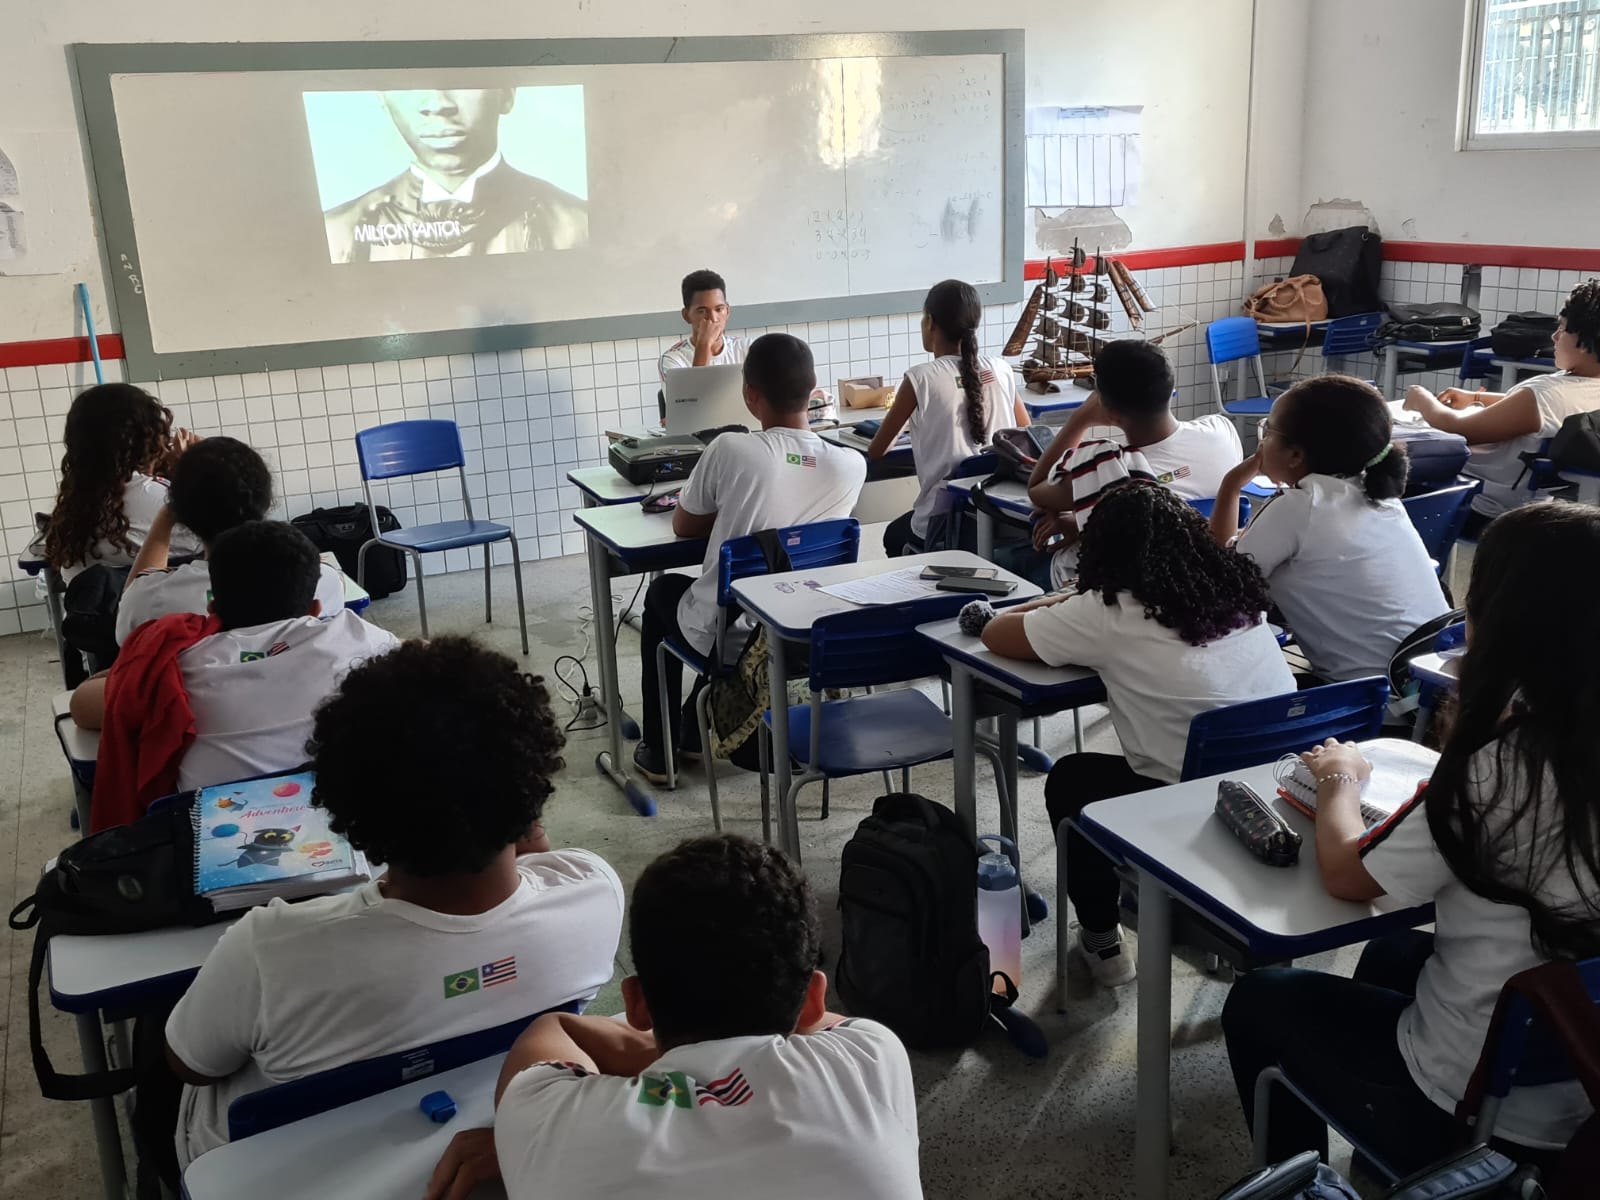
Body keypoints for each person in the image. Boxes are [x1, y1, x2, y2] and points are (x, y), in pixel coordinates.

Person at [1221, 502, 1600, 1178]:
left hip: (1483, 1111)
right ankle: (1381, 1168)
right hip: (1582, 1080)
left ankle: (1312, 1184)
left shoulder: (1502, 769)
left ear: (1503, 625)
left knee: (1260, 998)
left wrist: (1339, 779)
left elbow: (1346, 874)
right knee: (1393, 951)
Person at [163, 636, 625, 1174]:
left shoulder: (268, 950)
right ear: (533, 781)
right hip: (494, 1130)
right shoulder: (596, 892)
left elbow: (191, 1066)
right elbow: (538, 869)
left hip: (288, 1171)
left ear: (348, 805)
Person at [424, 834, 920, 1200]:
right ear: (813, 997)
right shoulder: (871, 1058)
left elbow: (554, 1029)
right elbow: (820, 1025)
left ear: (636, 1003)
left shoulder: (547, 1117)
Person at [981, 482, 1294, 985]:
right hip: (1271, 792)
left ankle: (1103, 940)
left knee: (1072, 779)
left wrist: (1058, 600)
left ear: (1102, 550)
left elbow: (995, 633)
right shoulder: (1239, 594)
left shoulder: (1108, 612)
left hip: (1187, 806)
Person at [632, 333, 865, 784]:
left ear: (749, 395)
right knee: (726, 603)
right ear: (813, 390)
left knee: (663, 593)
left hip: (735, 633)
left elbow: (685, 525)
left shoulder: (730, 449)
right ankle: (692, 732)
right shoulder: (851, 465)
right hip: (804, 629)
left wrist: (733, 503)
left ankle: (659, 750)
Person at [79, 521, 398, 829]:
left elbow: (82, 705)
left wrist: (126, 667)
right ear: (315, 609)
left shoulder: (176, 664)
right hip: (347, 834)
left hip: (212, 848)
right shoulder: (359, 637)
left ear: (212, 607)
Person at [1211, 375, 1450, 682]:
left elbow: (1219, 584)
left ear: (1296, 455)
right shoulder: (1376, 493)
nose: (1262, 442)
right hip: (1427, 680)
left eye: (1268, 431)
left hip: (1367, 695)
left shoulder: (1301, 507)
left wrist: (1230, 486)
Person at [1020, 338, 1242, 587]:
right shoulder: (1222, 431)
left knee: (1011, 557)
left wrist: (1080, 419)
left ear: (1110, 411)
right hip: (1196, 580)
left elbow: (1036, 488)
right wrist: (1085, 523)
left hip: (1102, 585)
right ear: (1169, 388)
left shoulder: (1108, 468)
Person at [114, 436, 345, 644]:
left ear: (181, 513)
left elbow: (129, 616)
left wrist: (166, 518)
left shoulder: (152, 598)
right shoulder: (322, 580)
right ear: (265, 501)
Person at [1403, 280, 1600, 519]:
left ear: (1585, 341)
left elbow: (1457, 430)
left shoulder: (1547, 395)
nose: (1554, 336)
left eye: (1562, 328)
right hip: (1540, 505)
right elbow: (1530, 411)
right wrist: (1476, 397)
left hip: (1481, 504)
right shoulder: (1581, 388)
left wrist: (1422, 399)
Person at [323, 87, 588, 263]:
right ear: (382, 97)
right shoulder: (336, 234)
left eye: (462, 78)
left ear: (507, 93)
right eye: (409, 81)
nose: (437, 104)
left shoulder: (578, 226)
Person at [869, 279, 1028, 555]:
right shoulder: (1001, 369)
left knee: (893, 535)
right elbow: (1026, 432)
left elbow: (877, 451)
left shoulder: (921, 378)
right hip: (999, 516)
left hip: (942, 522)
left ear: (930, 322)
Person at [43, 383, 202, 583]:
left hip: (91, 601)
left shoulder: (77, 503)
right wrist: (196, 468)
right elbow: (215, 536)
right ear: (146, 440)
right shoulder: (158, 500)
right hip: (157, 602)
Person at [659, 269, 750, 380]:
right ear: (686, 316)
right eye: (702, 311)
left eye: (719, 309)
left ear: (727, 311)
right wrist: (704, 344)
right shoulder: (672, 360)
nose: (713, 319)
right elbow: (695, 391)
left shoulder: (746, 348)